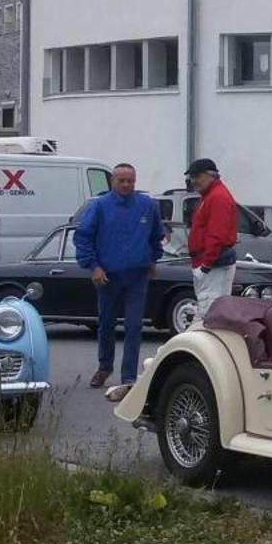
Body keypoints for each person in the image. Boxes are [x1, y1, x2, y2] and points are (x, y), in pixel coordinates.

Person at [74, 163, 164, 390]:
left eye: (130, 181)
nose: (126, 185)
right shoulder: (100, 206)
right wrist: (93, 266)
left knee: (134, 326)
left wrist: (152, 259)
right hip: (108, 276)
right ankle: (104, 367)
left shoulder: (146, 205)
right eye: (121, 180)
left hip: (137, 276)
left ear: (135, 181)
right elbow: (83, 237)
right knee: (106, 323)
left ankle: (129, 376)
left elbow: (157, 235)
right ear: (112, 181)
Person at [184, 157, 238, 324]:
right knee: (213, 311)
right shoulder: (211, 195)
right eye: (191, 177)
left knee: (209, 312)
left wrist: (206, 265)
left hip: (213, 265)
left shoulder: (217, 197)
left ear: (211, 175)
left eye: (197, 176)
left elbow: (217, 235)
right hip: (211, 263)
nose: (193, 181)